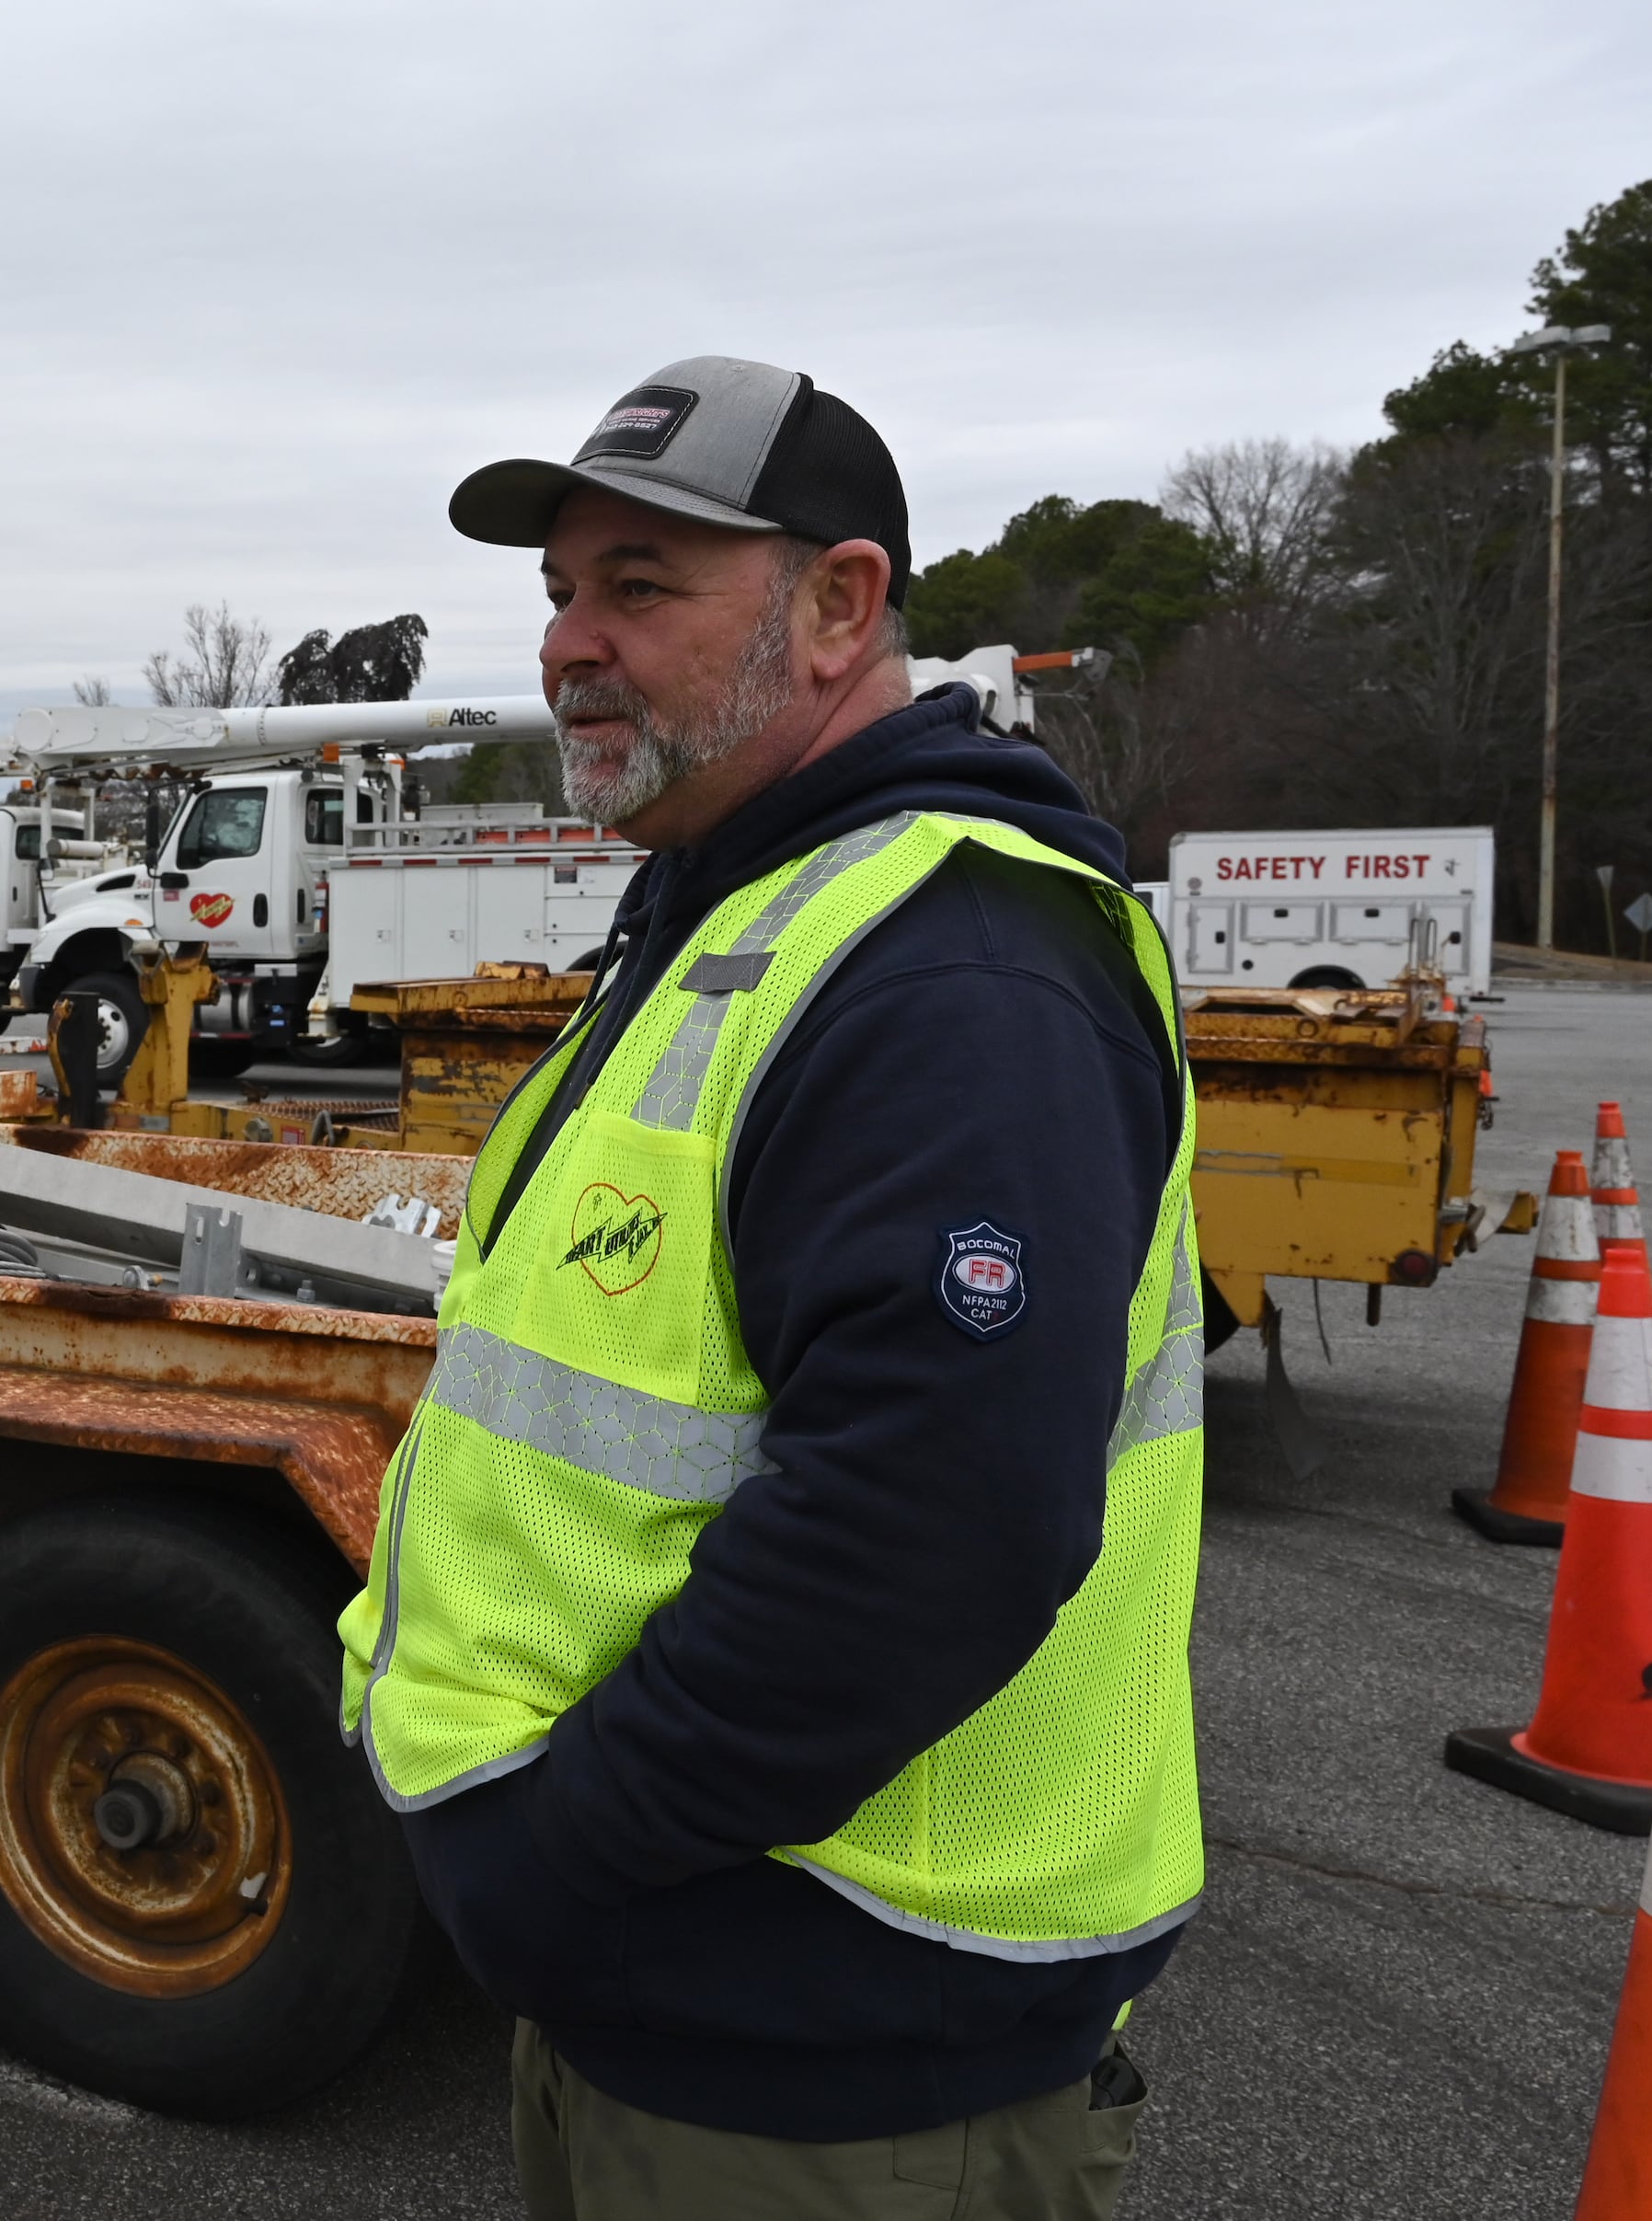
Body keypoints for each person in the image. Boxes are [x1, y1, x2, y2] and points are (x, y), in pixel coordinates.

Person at [338, 359, 1201, 2219]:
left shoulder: (949, 961)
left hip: (832, 2051)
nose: (572, 641)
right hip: (680, 2003)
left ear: (839, 605)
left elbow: (930, 1524)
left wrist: (561, 1860)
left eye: (640, 584)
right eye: (560, 591)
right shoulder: (737, 899)